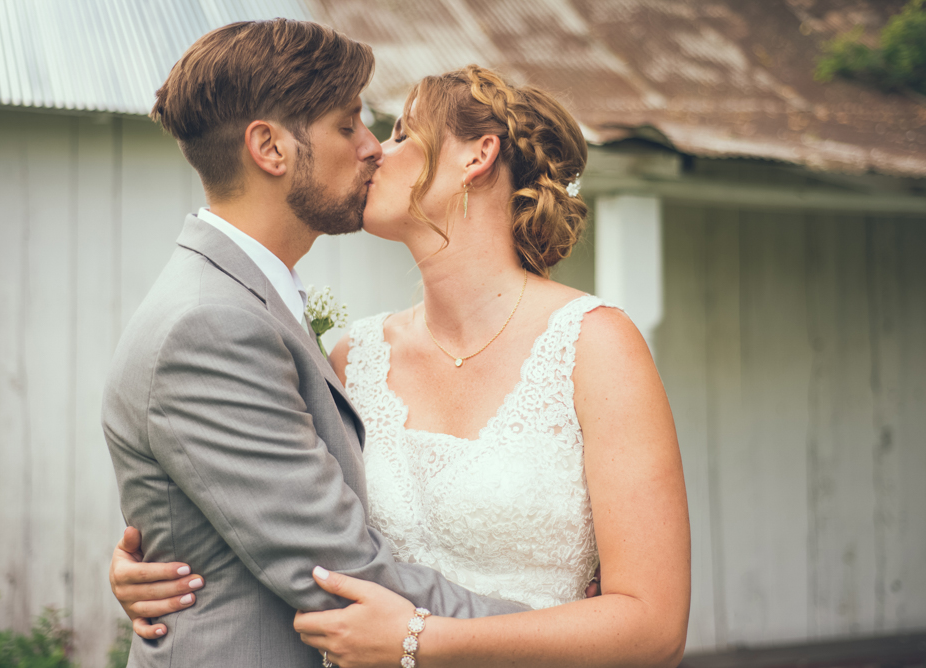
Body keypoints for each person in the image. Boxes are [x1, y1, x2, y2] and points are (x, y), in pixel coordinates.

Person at [110, 62, 691, 666]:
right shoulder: (349, 357)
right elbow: (278, 519)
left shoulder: (594, 346)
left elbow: (655, 626)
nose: (372, 152)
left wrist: (421, 640)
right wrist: (172, 559)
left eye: (401, 135)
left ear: (477, 157)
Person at [102, 21, 531, 668]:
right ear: (270, 148)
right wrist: (576, 634)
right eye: (348, 124)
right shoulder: (211, 327)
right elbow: (346, 578)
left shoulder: (249, 305)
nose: (372, 149)